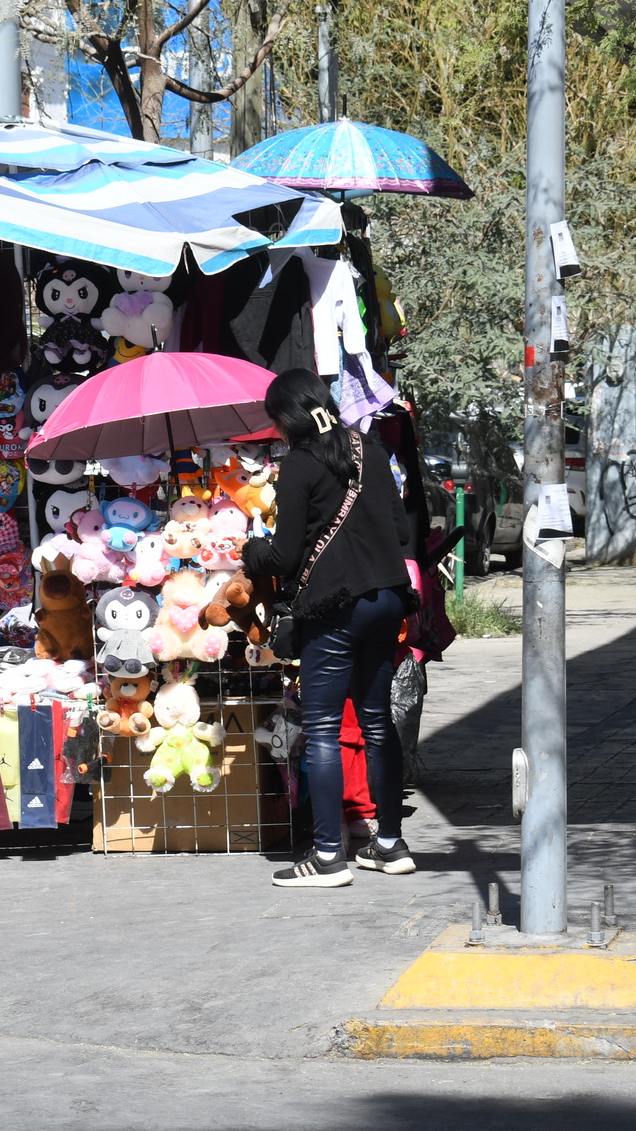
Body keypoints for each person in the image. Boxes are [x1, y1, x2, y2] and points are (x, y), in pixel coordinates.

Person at [242, 369, 415, 887]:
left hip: (335, 609)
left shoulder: (298, 464)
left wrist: (252, 552)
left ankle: (327, 856)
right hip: (386, 600)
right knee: (377, 719)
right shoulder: (368, 448)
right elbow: (402, 529)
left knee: (320, 729)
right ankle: (389, 843)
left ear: (287, 418)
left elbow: (285, 554)